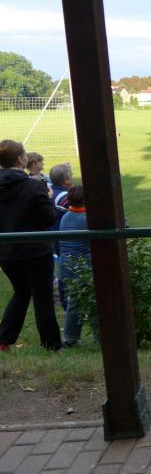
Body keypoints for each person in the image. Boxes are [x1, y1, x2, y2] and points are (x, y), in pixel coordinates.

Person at [0, 140, 61, 352]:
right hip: (36, 251)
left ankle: (3, 340)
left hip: (7, 252)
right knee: (42, 297)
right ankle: (51, 345)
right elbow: (49, 218)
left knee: (22, 292)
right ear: (20, 159)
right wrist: (49, 199)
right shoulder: (34, 186)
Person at [59, 185, 90, 347]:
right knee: (94, 299)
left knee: (76, 301)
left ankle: (70, 337)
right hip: (85, 266)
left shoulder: (66, 217)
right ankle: (100, 336)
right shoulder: (87, 219)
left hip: (67, 266)